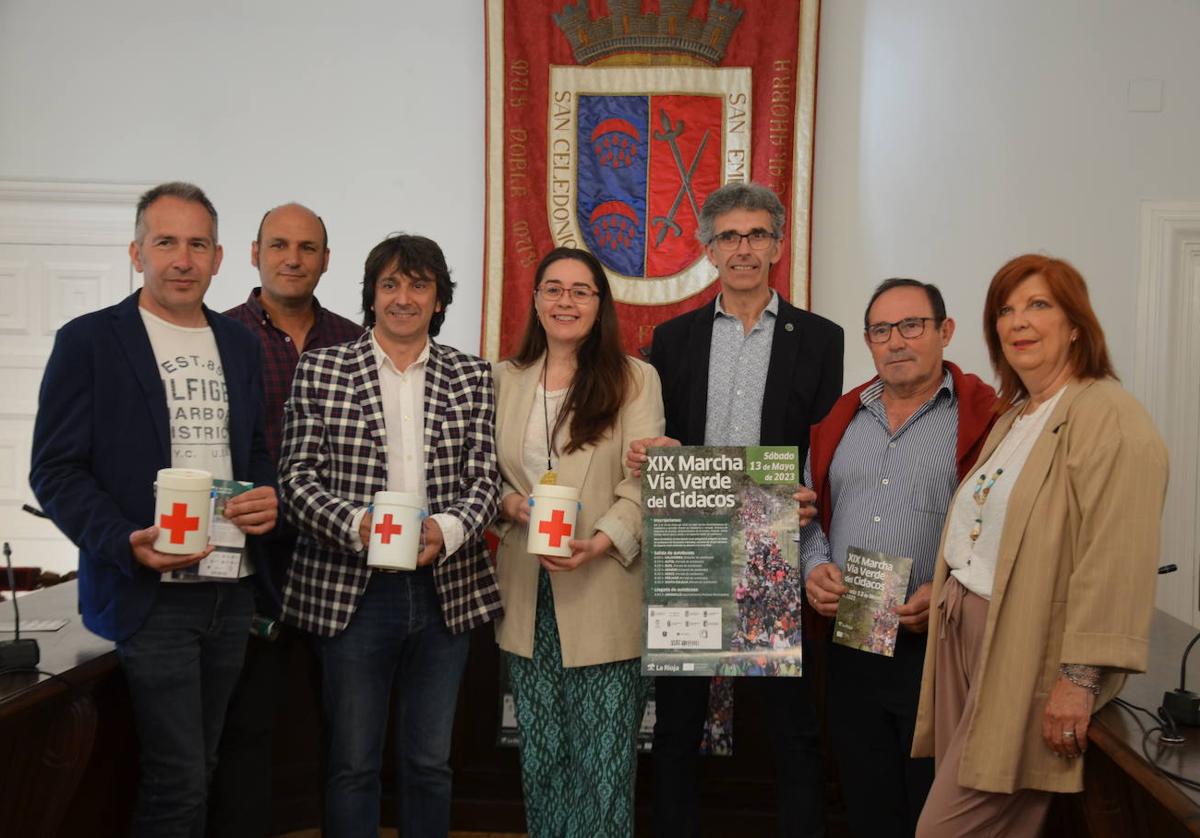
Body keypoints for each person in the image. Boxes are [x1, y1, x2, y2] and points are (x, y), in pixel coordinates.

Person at [29, 181, 278, 837]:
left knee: (205, 765)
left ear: (220, 258)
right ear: (136, 252)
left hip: (232, 592)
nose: (182, 259)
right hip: (151, 593)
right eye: (165, 242)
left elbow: (250, 450)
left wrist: (263, 498)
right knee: (178, 780)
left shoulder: (239, 345)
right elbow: (54, 469)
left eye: (197, 244)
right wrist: (123, 539)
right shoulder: (89, 341)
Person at [912, 254, 1168, 836]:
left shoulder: (1108, 415)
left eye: (1038, 305)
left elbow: (1116, 558)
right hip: (965, 629)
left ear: (1076, 323)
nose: (1017, 321)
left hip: (1030, 645)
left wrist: (1079, 678)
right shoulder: (1019, 414)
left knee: (944, 828)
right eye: (1005, 309)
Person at [628, 182, 844, 837]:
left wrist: (809, 487)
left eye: (756, 235)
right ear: (709, 249)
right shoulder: (671, 340)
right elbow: (656, 431)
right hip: (692, 543)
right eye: (729, 236)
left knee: (791, 727)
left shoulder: (821, 339)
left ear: (777, 246)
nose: (743, 248)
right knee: (677, 726)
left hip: (776, 544)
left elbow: (825, 445)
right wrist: (649, 452)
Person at [278, 233, 501, 838]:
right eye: (391, 284)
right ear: (371, 296)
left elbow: (486, 478)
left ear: (438, 299)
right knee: (352, 763)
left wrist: (447, 530)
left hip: (444, 592)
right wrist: (360, 526)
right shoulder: (322, 369)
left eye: (419, 284)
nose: (404, 297)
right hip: (352, 593)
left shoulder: (473, 375)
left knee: (430, 762)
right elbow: (295, 480)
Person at [800, 279, 995, 837]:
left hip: (940, 649)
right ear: (868, 341)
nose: (897, 341)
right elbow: (806, 510)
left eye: (912, 326)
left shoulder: (985, 418)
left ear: (945, 331)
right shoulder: (843, 417)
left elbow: (1007, 532)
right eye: (882, 330)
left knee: (935, 810)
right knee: (867, 802)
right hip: (852, 641)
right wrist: (814, 567)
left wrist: (950, 589)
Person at [492, 247, 665, 836]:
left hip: (603, 588)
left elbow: (644, 483)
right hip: (524, 591)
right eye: (553, 288)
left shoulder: (635, 378)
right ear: (536, 298)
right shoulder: (503, 379)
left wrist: (600, 541)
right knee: (542, 758)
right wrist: (510, 506)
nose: (566, 301)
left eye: (581, 291)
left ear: (600, 304)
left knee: (604, 764)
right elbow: (479, 476)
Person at [209, 203, 362, 837]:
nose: (292, 258)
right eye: (279, 245)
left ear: (327, 259)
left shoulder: (356, 340)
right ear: (254, 252)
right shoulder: (219, 335)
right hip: (250, 559)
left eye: (307, 248)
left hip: (339, 559)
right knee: (249, 724)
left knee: (344, 728)